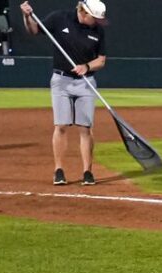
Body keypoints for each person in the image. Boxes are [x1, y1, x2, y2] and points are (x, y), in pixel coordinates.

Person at [18, 0, 105, 186]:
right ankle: (59, 171)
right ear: (84, 12)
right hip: (61, 81)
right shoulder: (59, 18)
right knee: (61, 125)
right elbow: (34, 30)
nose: (96, 21)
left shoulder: (98, 30)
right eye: (94, 17)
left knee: (85, 128)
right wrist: (27, 16)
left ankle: (87, 172)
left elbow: (102, 60)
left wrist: (87, 66)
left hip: (86, 82)